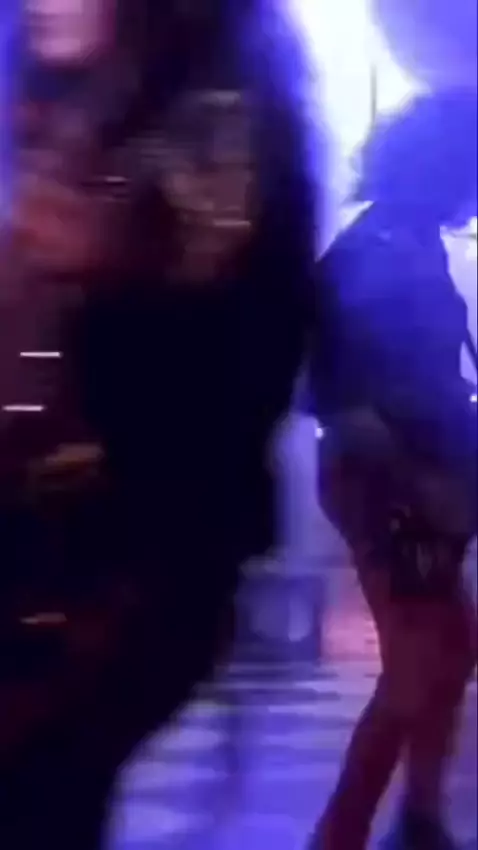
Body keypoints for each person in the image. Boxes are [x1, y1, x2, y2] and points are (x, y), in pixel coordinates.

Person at [1, 2, 321, 848]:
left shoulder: (222, 102)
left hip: (125, 548)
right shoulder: (55, 90)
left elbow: (241, 331)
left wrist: (119, 248)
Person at [307, 91, 477, 850]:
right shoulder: (378, 251)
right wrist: (422, 487)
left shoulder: (399, 240)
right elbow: (342, 390)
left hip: (408, 477)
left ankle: (420, 819)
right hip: (389, 483)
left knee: (450, 648)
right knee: (417, 663)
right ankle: (345, 831)